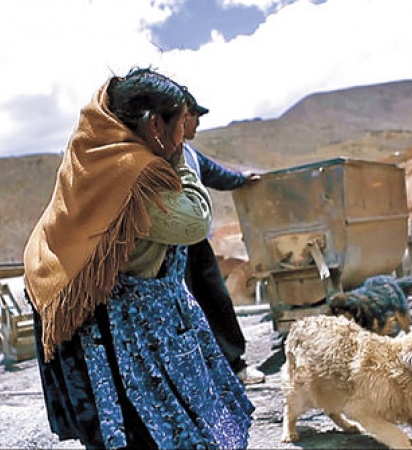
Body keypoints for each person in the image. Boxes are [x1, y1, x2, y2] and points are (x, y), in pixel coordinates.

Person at [23, 67, 254, 450]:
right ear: (154, 125)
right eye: (180, 123)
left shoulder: (100, 142)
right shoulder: (131, 175)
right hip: (115, 323)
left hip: (116, 306)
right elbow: (194, 221)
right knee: (149, 425)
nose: (184, 134)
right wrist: (179, 158)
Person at [181, 88, 265, 385]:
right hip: (168, 249)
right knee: (182, 311)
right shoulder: (156, 155)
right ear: (181, 116)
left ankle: (235, 366)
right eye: (194, 116)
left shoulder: (189, 153)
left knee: (217, 300)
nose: (198, 123)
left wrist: (242, 180)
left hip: (197, 244)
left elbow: (216, 174)